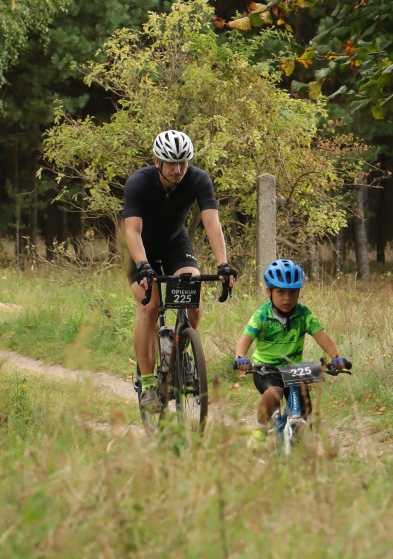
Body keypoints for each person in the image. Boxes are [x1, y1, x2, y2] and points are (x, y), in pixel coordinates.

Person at [123, 130, 238, 413]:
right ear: (157, 161)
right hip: (140, 248)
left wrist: (223, 263)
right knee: (150, 307)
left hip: (176, 243)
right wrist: (143, 266)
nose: (178, 170)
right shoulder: (139, 182)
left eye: (184, 163)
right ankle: (149, 384)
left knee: (193, 300)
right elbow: (132, 230)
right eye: (171, 163)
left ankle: (180, 353)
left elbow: (212, 223)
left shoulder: (199, 179)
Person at [233, 259, 350, 444]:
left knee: (305, 412)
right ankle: (260, 431)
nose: (287, 298)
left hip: (294, 371)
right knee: (274, 392)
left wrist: (337, 357)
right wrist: (240, 358)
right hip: (266, 369)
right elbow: (246, 339)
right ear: (269, 292)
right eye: (280, 292)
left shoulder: (303, 314)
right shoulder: (262, 315)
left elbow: (321, 336)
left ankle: (298, 444)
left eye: (293, 293)